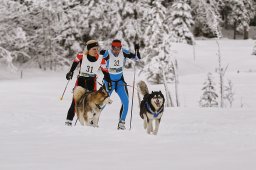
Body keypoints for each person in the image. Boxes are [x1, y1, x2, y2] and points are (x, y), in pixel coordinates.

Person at [100, 39, 140, 130]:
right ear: (112, 47)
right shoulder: (107, 53)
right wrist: (100, 54)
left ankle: (121, 123)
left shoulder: (124, 52)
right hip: (108, 82)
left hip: (120, 82)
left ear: (121, 47)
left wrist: (137, 51)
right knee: (103, 102)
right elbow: (98, 61)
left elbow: (137, 58)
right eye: (115, 48)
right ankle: (93, 118)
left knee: (126, 102)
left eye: (118, 48)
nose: (116, 50)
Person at [65, 40, 104, 126]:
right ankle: (68, 121)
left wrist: (107, 81)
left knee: (92, 103)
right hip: (81, 81)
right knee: (75, 102)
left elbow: (105, 69)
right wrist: (70, 72)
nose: (96, 51)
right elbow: (75, 63)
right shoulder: (81, 56)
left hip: (91, 82)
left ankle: (92, 122)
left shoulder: (100, 58)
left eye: (97, 49)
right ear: (89, 49)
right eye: (94, 49)